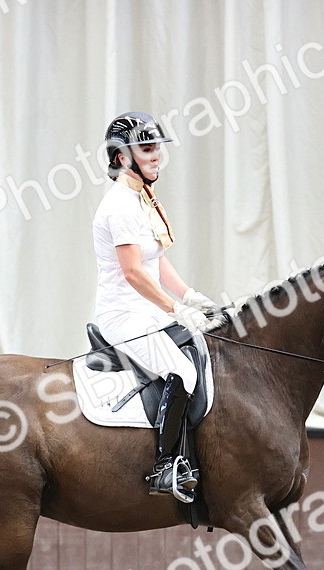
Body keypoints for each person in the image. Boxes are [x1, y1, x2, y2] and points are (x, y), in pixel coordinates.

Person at [92, 111, 224, 502]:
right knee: (182, 372)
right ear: (121, 157)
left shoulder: (141, 199)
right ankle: (164, 468)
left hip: (148, 310)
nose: (156, 157)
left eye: (158, 150)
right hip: (124, 314)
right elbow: (133, 272)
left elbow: (157, 261)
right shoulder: (119, 205)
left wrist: (190, 296)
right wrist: (174, 308)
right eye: (147, 149)